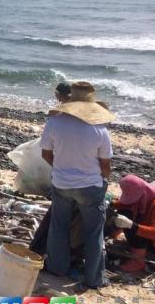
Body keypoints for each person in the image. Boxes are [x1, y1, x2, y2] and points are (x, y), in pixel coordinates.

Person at [41, 81, 115, 290]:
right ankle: (94, 279)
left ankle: (57, 268)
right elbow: (106, 165)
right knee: (93, 232)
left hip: (61, 183)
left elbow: (46, 153)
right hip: (90, 186)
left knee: (59, 226)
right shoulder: (99, 130)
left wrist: (61, 168)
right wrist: (103, 180)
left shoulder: (54, 123)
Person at [112, 175, 155, 273]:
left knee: (134, 224)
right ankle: (115, 235)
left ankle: (138, 261)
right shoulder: (146, 193)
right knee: (124, 211)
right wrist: (111, 204)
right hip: (152, 238)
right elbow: (126, 203)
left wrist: (131, 225)